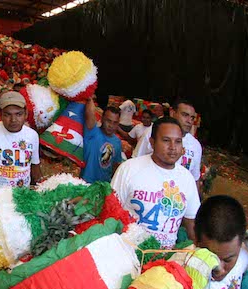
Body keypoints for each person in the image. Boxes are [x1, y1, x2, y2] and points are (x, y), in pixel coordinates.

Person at [111, 117, 200, 248]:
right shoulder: (129, 169)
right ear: (152, 143)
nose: (173, 147)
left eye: (178, 141)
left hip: (165, 257)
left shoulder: (187, 178)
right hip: (126, 251)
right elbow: (110, 211)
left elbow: (191, 222)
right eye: (166, 140)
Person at [194, 196, 248, 289]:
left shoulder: (246, 258)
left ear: (241, 244)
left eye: (227, 260)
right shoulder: (183, 269)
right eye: (211, 257)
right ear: (196, 239)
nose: (219, 269)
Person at [80, 98, 122, 182]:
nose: (111, 125)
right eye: (108, 121)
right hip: (86, 183)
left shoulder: (118, 142)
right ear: (102, 119)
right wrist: (89, 98)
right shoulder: (92, 132)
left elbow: (115, 165)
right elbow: (90, 113)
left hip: (104, 185)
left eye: (115, 122)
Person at [171, 99, 203, 187]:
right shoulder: (153, 134)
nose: (189, 121)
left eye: (192, 118)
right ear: (172, 113)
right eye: (185, 115)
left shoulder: (195, 146)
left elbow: (195, 179)